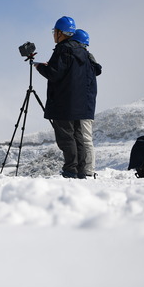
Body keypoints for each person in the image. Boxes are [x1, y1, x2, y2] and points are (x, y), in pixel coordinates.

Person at [35, 17, 98, 179]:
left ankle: (71, 170)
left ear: (60, 33)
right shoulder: (83, 53)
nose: (53, 35)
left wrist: (40, 67)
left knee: (66, 138)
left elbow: (54, 74)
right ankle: (81, 171)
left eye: (54, 32)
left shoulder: (63, 49)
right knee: (78, 138)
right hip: (79, 104)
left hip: (64, 102)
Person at [70, 28, 102, 179]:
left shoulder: (84, 61)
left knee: (85, 138)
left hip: (84, 105)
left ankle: (88, 170)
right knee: (83, 137)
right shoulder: (88, 60)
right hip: (84, 105)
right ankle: (85, 168)